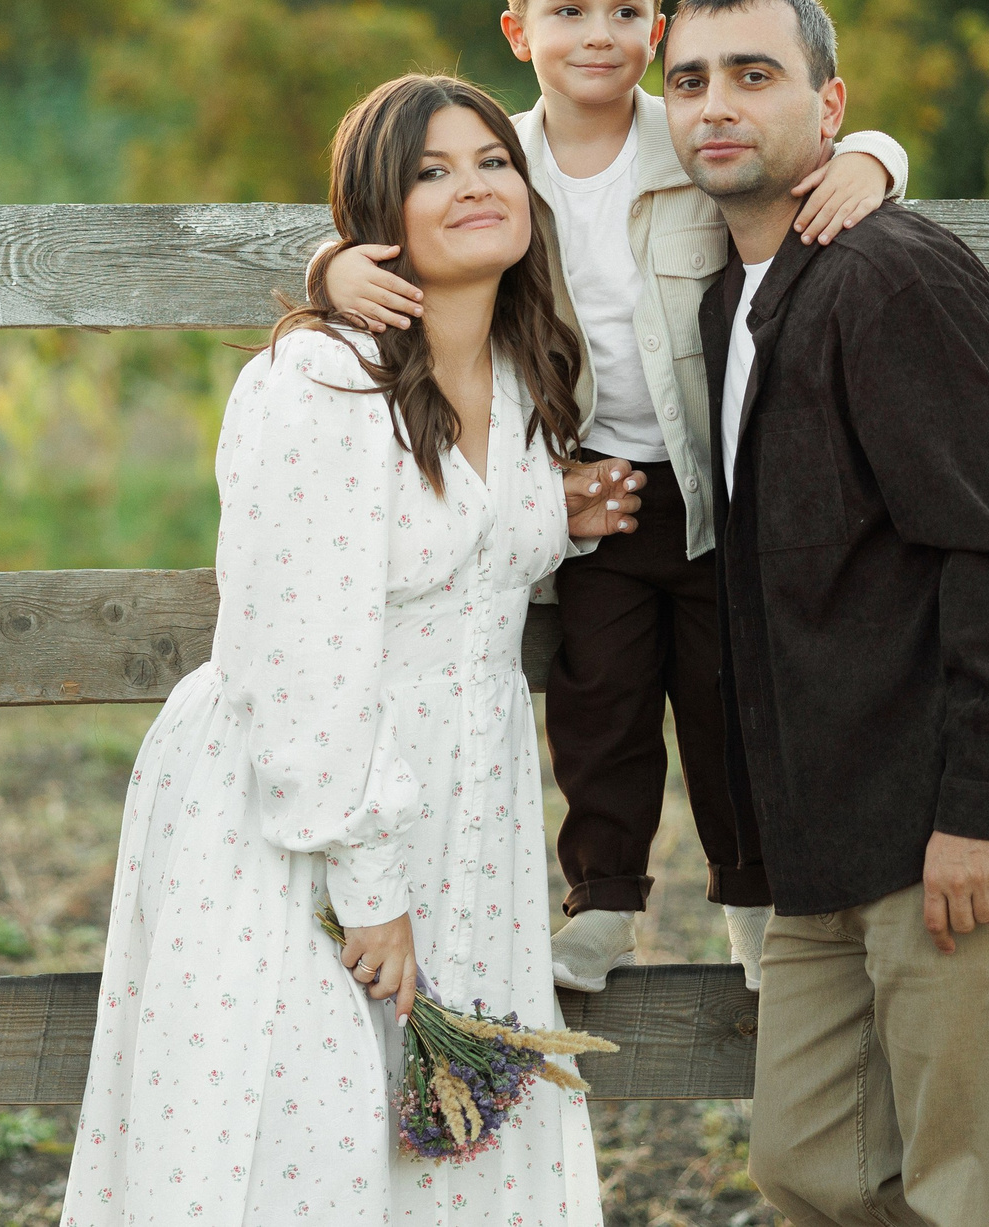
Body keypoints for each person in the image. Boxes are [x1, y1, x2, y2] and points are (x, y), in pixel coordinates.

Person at [63, 74, 641, 1227]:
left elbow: (459, 556)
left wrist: (555, 516)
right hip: (305, 809)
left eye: (492, 160)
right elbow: (294, 654)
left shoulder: (523, 375)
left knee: (442, 1150)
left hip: (467, 815)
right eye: (432, 172)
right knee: (302, 1139)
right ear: (378, 218)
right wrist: (367, 883)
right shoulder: (324, 381)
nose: (473, 186)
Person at [314, 0, 910, 993]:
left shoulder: (686, 134)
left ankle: (754, 906)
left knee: (733, 702)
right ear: (517, 30)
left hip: (722, 477)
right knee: (600, 701)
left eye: (627, 12)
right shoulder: (502, 158)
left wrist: (874, 159)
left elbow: (819, 133)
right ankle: (604, 904)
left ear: (659, 26)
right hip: (587, 486)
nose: (599, 35)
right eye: (569, 11)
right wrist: (333, 262)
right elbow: (401, 205)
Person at [663, 0, 989, 1227]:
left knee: (970, 1196)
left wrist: (979, 814)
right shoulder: (733, 299)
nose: (716, 105)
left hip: (955, 828)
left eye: (754, 75)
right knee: (808, 1169)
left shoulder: (892, 276)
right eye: (689, 81)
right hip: (830, 833)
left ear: (829, 105)